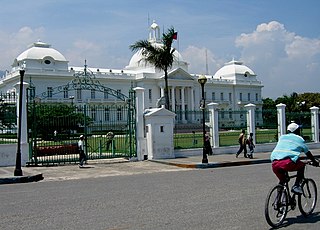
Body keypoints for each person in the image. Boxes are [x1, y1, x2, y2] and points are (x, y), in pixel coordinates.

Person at [270, 122, 319, 194]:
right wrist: (314, 161)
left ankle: (278, 201)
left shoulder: (282, 137)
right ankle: (296, 186)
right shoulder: (299, 139)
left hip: (275, 163)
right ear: (296, 131)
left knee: (283, 181)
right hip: (287, 163)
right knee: (302, 165)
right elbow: (308, 153)